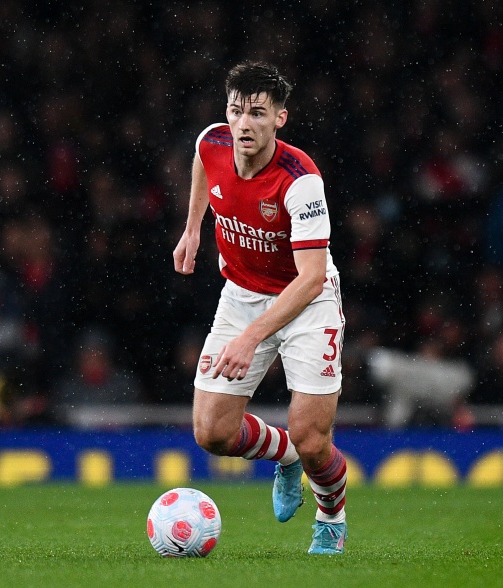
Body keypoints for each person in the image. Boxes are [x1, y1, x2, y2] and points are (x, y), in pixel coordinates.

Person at [173, 61, 348, 554]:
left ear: (279, 119)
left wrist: (251, 338)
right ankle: (286, 456)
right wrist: (192, 228)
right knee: (211, 432)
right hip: (242, 294)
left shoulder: (300, 180)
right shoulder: (213, 140)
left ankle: (330, 517)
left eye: (257, 113)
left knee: (313, 439)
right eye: (236, 111)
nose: (243, 123)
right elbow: (202, 162)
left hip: (307, 301)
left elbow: (311, 278)